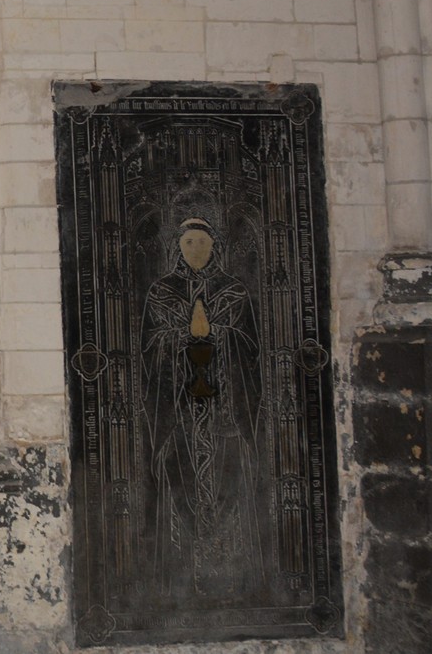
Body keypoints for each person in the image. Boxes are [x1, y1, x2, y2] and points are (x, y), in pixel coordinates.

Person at [139, 218, 266, 600]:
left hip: (224, 415)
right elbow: (150, 347)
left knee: (227, 489)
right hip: (179, 416)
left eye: (203, 241)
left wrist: (217, 335)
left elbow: (250, 348)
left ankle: (230, 579)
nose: (196, 248)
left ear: (216, 246)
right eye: (189, 241)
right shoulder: (161, 293)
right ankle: (179, 580)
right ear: (177, 246)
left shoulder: (234, 292)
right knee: (182, 486)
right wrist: (179, 337)